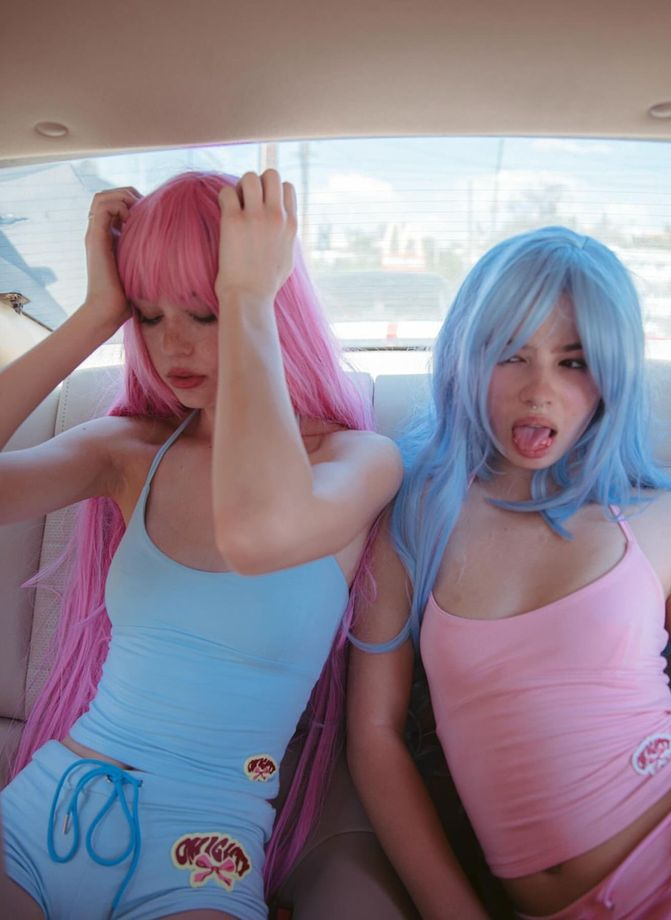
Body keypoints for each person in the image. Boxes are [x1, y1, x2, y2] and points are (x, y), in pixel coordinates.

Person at [0, 168, 402, 919]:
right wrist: (94, 314)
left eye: (205, 313)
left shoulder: (358, 461)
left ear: (271, 301)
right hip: (41, 812)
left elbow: (258, 532)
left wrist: (248, 298)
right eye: (149, 316)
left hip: (202, 853)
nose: (172, 345)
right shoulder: (129, 449)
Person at [347, 226, 671, 920]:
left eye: (574, 361)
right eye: (511, 355)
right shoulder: (415, 519)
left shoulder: (666, 522)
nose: (539, 390)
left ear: (612, 377)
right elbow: (373, 738)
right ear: (469, 358)